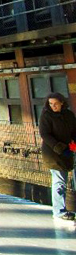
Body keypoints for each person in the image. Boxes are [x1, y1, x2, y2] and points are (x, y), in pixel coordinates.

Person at [38, 92, 76, 220]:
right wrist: (59, 148)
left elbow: (74, 131)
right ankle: (59, 211)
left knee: (65, 180)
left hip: (68, 151)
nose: (53, 106)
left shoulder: (69, 115)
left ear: (62, 103)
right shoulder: (46, 116)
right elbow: (45, 134)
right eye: (51, 104)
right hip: (53, 153)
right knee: (59, 181)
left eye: (56, 104)